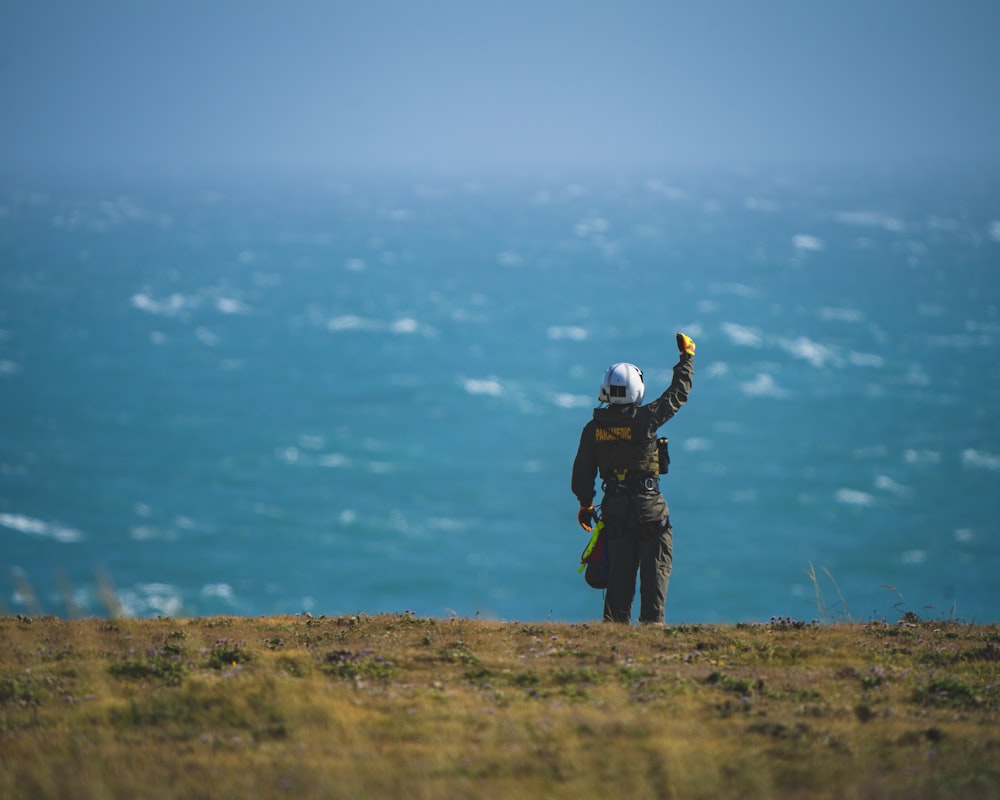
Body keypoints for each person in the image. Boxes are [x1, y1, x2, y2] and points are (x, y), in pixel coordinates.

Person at [571, 332, 695, 624]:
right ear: (637, 389)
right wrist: (686, 358)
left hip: (614, 510)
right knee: (656, 571)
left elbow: (581, 475)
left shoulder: (593, 429)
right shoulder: (646, 419)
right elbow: (678, 394)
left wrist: (586, 504)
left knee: (618, 580)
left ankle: (615, 640)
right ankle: (651, 632)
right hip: (649, 508)